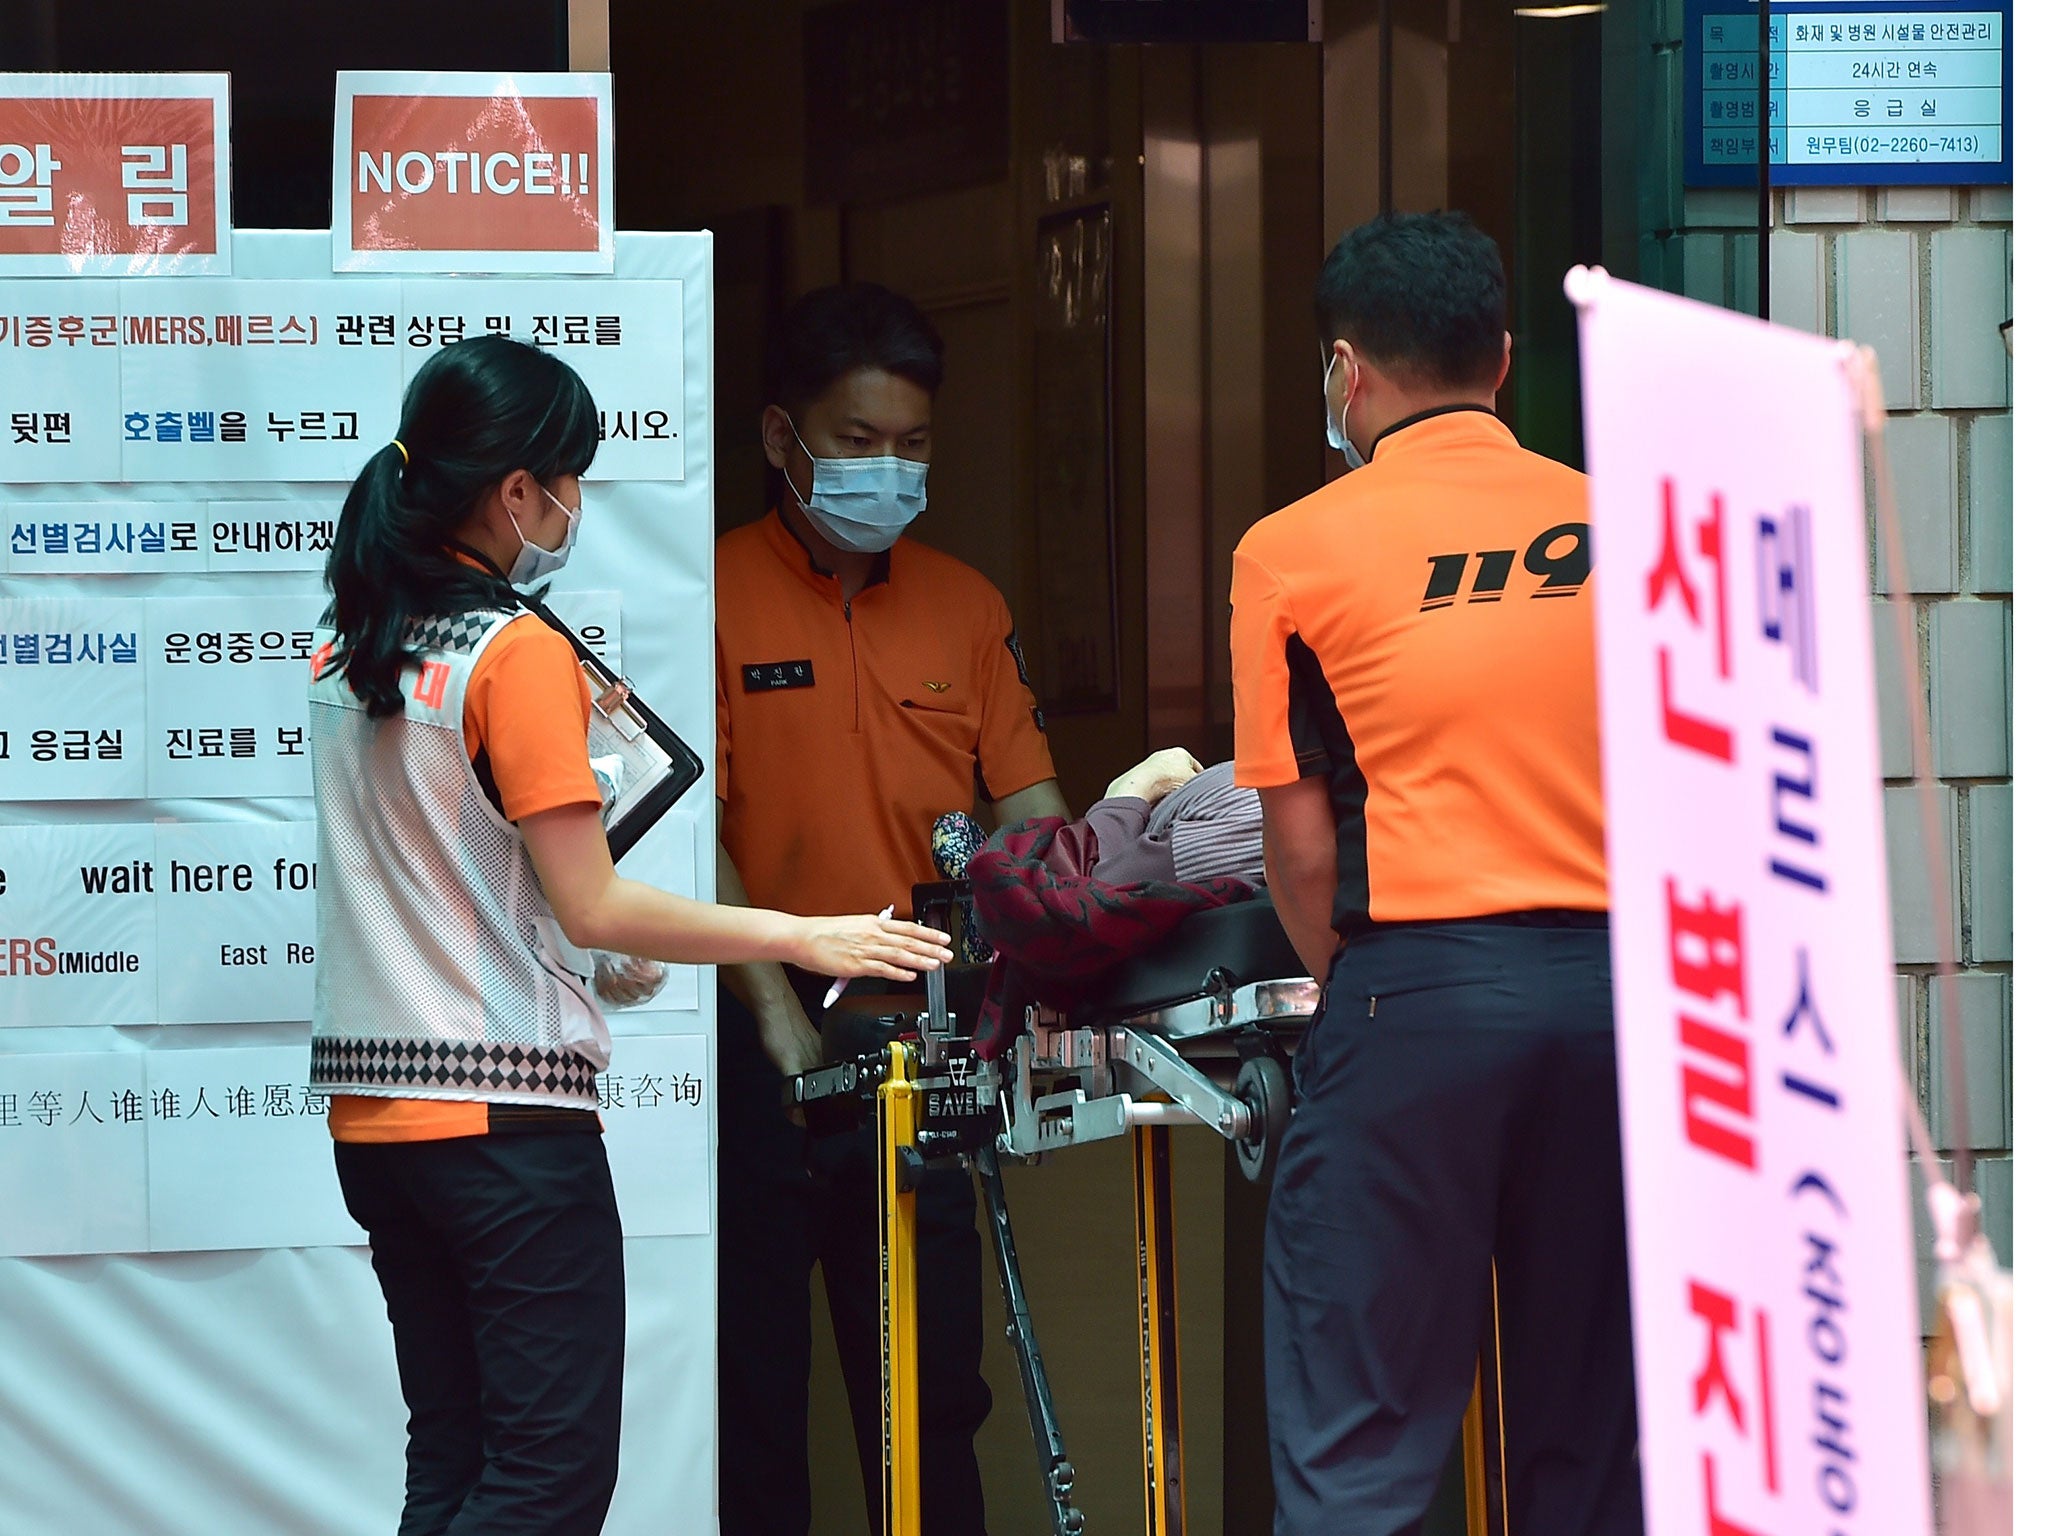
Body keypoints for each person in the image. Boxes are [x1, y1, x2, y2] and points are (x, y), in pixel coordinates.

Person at [307, 335, 953, 1536]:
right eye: (569, 479)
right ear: (516, 493)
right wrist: (805, 935)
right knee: (547, 1477)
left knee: (452, 1457)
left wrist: (590, 951)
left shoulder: (354, 644)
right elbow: (594, 897)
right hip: (504, 1118)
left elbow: (453, 872)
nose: (573, 506)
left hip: (376, 1120)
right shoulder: (512, 652)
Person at [1230, 212, 1643, 1535]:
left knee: (1365, 1437)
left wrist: (1371, 988)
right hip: (1620, 1003)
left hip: (1415, 994)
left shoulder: (1287, 551)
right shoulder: (1622, 522)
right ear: (1504, 359)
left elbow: (1297, 840)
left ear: (1346, 372)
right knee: (1599, 1431)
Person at [714, 282, 1069, 1535]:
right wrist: (766, 1008)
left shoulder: (965, 609)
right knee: (751, 1391)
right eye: (856, 444)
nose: (886, 471)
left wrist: (1044, 974)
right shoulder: (706, 597)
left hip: (918, 1050)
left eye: (910, 447)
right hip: (754, 1052)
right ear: (779, 438)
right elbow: (681, 830)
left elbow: (1035, 822)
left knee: (928, 1392)